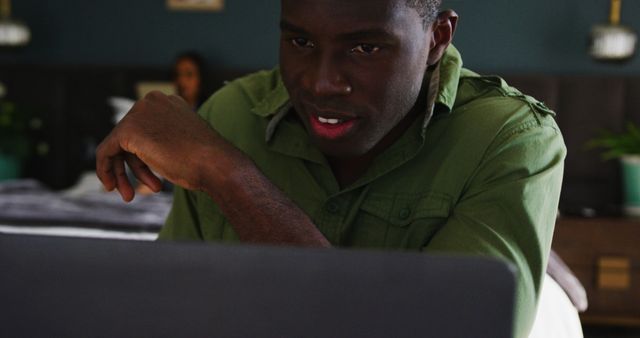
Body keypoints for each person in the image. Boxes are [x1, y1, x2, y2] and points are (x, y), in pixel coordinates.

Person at [95, 1, 566, 337]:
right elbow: (170, 315)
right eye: (300, 40)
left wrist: (229, 175)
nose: (321, 83)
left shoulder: (509, 139)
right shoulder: (232, 114)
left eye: (365, 49)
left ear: (437, 38)